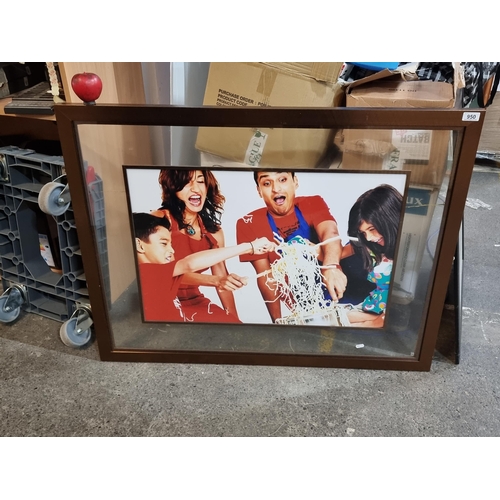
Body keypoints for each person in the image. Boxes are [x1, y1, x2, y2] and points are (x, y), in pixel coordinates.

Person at [235, 171, 347, 323]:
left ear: (295, 182)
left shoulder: (312, 203)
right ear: (259, 190)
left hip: (335, 280)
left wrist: (331, 267)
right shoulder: (248, 223)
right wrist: (277, 321)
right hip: (302, 298)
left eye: (282, 180)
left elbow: (330, 233)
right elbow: (266, 276)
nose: (276, 189)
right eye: (267, 183)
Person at [133, 212, 274, 322]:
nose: (172, 250)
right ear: (139, 245)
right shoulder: (144, 272)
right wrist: (248, 247)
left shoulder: (159, 276)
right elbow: (189, 264)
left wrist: (218, 280)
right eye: (164, 244)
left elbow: (183, 276)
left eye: (171, 244)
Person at [150, 169, 247, 323]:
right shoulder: (159, 220)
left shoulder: (214, 232)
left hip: (195, 302)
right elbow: (163, 274)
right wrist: (215, 280)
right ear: (173, 188)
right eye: (187, 183)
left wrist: (235, 321)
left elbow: (222, 278)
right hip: (160, 301)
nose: (196, 188)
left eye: (200, 181)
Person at [344, 184, 403, 327]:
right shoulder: (371, 246)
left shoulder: (408, 249)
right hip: (370, 308)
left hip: (391, 315)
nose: (369, 237)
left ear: (389, 219)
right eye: (363, 233)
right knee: (329, 317)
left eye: (371, 229)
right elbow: (335, 252)